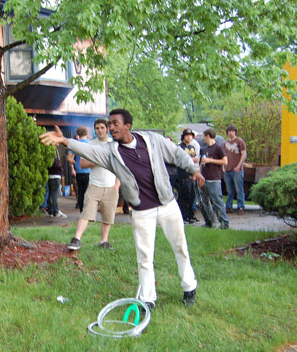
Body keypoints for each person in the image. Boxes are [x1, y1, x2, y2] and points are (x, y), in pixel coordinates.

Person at [40, 108, 205, 309]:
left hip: (167, 204)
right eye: (109, 124)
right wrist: (66, 141)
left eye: (115, 124)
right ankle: (148, 298)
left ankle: (189, 287)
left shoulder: (151, 140)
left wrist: (194, 170)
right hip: (142, 210)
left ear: (127, 125)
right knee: (144, 257)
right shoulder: (111, 152)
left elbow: (177, 154)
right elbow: (89, 151)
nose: (111, 128)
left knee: (180, 247)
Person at [68, 119, 120, 251]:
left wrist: (117, 186)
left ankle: (104, 242)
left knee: (107, 217)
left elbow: (121, 166)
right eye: (97, 128)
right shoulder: (91, 145)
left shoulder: (114, 145)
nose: (99, 130)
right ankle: (77, 239)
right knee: (86, 213)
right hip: (94, 185)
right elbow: (82, 164)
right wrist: (98, 161)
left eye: (102, 127)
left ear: (107, 129)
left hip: (110, 186)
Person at [200, 128, 229, 229]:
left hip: (214, 179)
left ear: (208, 136)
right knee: (204, 202)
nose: (203, 139)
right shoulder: (204, 149)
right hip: (204, 179)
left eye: (203, 136)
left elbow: (225, 162)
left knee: (217, 201)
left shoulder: (218, 148)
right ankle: (209, 222)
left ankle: (224, 223)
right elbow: (202, 163)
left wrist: (210, 160)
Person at [223, 124, 247, 215]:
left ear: (235, 132)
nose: (231, 133)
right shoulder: (225, 144)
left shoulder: (240, 141)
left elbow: (244, 154)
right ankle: (228, 206)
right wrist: (223, 167)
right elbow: (223, 156)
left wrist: (239, 166)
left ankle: (240, 207)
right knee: (229, 190)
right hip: (227, 170)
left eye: (232, 131)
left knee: (239, 189)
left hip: (237, 169)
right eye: (229, 131)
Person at [67, 127, 91, 212]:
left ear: (78, 134)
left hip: (79, 171)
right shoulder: (91, 143)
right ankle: (88, 210)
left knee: (80, 191)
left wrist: (75, 163)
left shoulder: (75, 144)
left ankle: (81, 210)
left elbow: (69, 158)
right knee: (88, 191)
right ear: (86, 133)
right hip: (89, 170)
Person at [178, 128, 199, 224]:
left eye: (191, 135)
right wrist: (192, 159)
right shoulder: (180, 147)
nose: (189, 137)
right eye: (187, 135)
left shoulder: (192, 147)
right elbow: (182, 160)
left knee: (192, 196)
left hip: (192, 175)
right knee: (184, 196)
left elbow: (195, 160)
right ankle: (184, 216)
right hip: (183, 174)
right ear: (183, 136)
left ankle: (190, 214)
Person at [46, 154, 67, 218]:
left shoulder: (48, 158)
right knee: (55, 195)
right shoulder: (54, 158)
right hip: (55, 177)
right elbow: (58, 166)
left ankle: (51, 211)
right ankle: (56, 211)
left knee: (51, 194)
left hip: (50, 176)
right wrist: (61, 169)